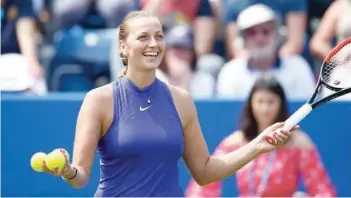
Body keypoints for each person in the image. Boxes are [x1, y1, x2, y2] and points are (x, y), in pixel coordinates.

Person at [40, 11, 298, 197]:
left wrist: (257, 145)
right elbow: (81, 177)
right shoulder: (98, 100)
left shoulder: (182, 100)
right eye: (143, 37)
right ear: (123, 47)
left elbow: (205, 171)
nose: (154, 44)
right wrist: (67, 171)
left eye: (159, 36)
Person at [186, 76, 336, 197]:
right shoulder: (236, 141)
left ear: (280, 104)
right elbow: (205, 184)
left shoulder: (299, 143)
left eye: (271, 102)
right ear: (251, 104)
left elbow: (322, 189)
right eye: (260, 101)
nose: (265, 108)